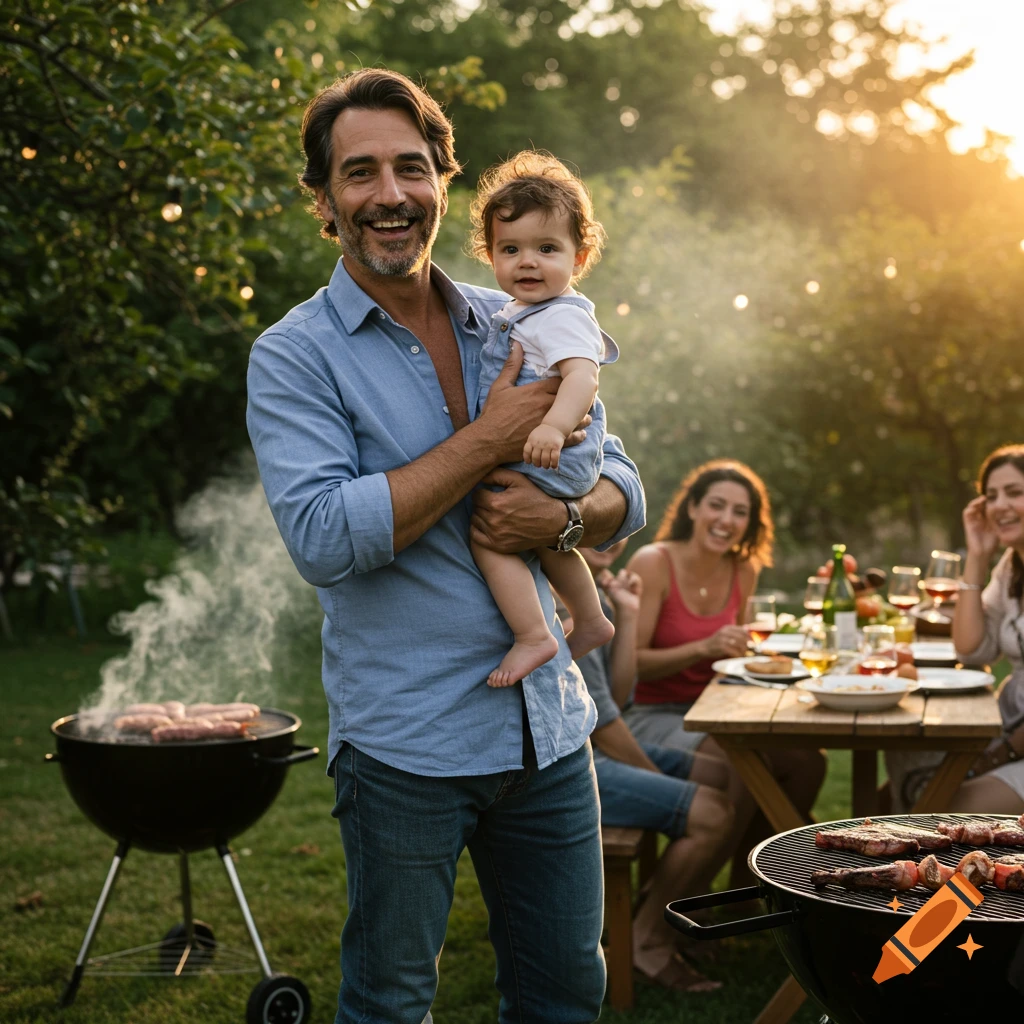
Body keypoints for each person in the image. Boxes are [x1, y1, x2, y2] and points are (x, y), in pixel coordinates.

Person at [245, 69, 646, 1024]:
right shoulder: (294, 355)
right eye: (360, 172)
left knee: (565, 995)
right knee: (390, 1002)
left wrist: (556, 522)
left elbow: (623, 485)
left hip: (548, 732)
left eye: (412, 168)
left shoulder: (512, 311)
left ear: (441, 182)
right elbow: (325, 537)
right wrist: (492, 443)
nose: (390, 195)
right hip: (406, 746)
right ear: (325, 199)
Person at [624, 460, 824, 883]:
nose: (726, 520)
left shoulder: (743, 570)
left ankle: (747, 885)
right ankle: (680, 903)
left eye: (740, 512)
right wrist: (704, 646)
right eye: (717, 505)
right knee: (741, 759)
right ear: (692, 507)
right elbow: (632, 664)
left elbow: (743, 648)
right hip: (651, 714)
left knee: (808, 762)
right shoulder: (653, 562)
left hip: (718, 709)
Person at [468, 152, 617, 687]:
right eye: (511, 249)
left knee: (492, 535)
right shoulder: (520, 311)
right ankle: (592, 617)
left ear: (579, 258)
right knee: (542, 537)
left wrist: (552, 427)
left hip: (554, 449)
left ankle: (534, 632)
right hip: (547, 448)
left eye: (546, 249)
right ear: (491, 256)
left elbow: (583, 378)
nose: (527, 262)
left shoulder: (560, 316)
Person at [568, 540, 733, 994]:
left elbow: (619, 697)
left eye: (617, 527)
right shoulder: (558, 596)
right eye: (595, 524)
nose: (611, 538)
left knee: (730, 777)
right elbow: (604, 727)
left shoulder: (592, 595)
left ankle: (678, 907)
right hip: (571, 764)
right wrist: (658, 782)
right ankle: (645, 940)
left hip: (597, 745)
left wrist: (628, 610)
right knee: (712, 811)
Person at [948, 444, 1024, 813]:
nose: (1000, 505)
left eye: (1015, 492)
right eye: (991, 495)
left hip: (1017, 742)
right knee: (902, 784)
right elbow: (970, 648)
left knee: (947, 807)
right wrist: (977, 556)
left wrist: (996, 757)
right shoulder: (1010, 567)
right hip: (1008, 725)